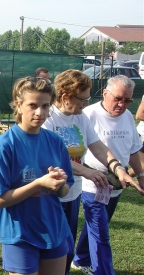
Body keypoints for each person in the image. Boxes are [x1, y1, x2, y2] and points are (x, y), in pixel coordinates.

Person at [41, 69, 143, 275]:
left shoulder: (80, 117)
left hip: (72, 193)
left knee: (67, 250)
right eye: (83, 99)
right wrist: (86, 172)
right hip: (48, 195)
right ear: (65, 97)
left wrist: (118, 169)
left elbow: (97, 146)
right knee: (51, 250)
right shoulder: (49, 118)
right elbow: (52, 158)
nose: (86, 103)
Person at [0, 76, 74, 275]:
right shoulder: (4, 145)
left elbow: (65, 192)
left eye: (45, 106)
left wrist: (60, 183)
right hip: (19, 235)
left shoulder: (55, 141)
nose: (39, 112)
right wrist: (39, 184)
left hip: (55, 230)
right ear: (19, 105)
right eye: (33, 105)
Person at [72, 75, 144, 275]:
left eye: (128, 100)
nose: (122, 104)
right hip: (92, 183)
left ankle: (80, 258)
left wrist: (141, 175)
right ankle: (103, 271)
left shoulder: (128, 116)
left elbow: (133, 150)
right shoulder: (88, 114)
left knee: (97, 226)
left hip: (117, 184)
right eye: (118, 98)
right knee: (101, 232)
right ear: (105, 93)